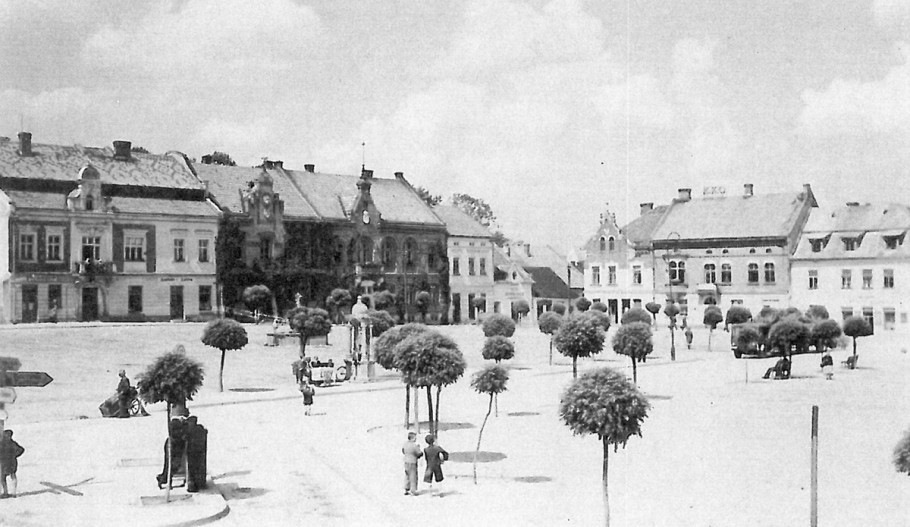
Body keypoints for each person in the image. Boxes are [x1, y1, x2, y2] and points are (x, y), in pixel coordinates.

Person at [0, 430, 25, 498]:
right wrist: (15, 455)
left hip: (4, 463)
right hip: (11, 462)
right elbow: (21, 449)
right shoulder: (12, 443)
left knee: (3, 477)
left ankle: (6, 492)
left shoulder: (2, 443)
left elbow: (21, 450)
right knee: (12, 476)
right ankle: (13, 492)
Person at [402, 431, 423, 496]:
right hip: (413, 462)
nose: (416, 439)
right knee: (413, 476)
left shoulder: (405, 444)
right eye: (415, 438)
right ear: (412, 438)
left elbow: (403, 451)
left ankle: (406, 488)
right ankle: (413, 490)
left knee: (407, 475)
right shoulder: (414, 445)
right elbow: (419, 453)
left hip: (406, 461)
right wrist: (420, 450)